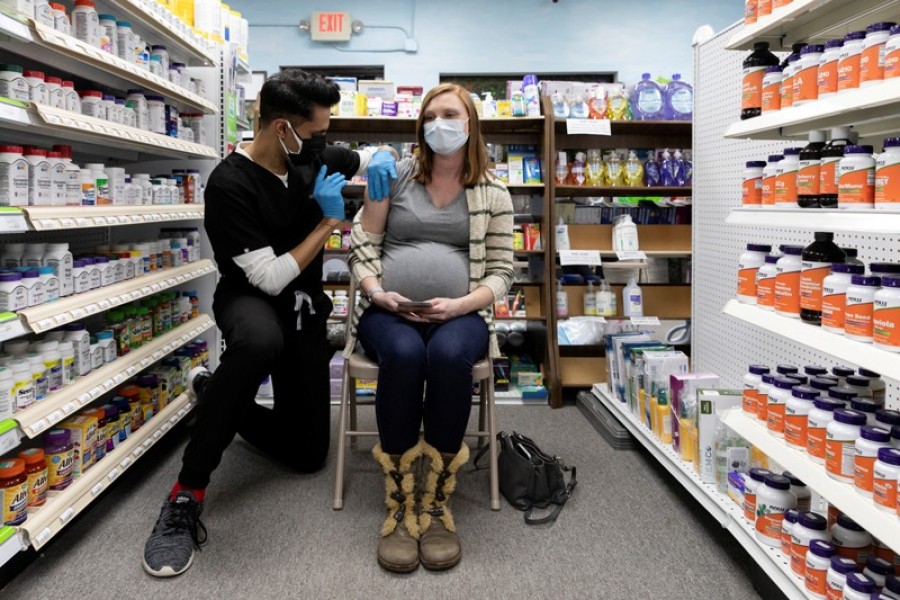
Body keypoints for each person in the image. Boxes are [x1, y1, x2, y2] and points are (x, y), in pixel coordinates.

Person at [142, 69, 399, 578]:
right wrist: (328, 221)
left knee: (307, 456)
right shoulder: (230, 184)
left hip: (301, 305)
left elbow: (369, 158)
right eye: (317, 130)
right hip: (253, 297)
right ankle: (186, 494)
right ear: (283, 127)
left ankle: (217, 394)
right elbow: (271, 277)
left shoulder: (310, 152)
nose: (324, 141)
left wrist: (384, 156)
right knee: (259, 342)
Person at [345, 83, 514, 573]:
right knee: (402, 355)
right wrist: (378, 293)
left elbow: (502, 272)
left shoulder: (494, 191)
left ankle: (437, 501)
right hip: (387, 311)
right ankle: (399, 500)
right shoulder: (395, 177)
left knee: (444, 357)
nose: (439, 123)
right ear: (420, 125)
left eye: (450, 114)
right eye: (431, 115)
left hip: (461, 314)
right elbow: (363, 243)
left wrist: (461, 304)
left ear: (470, 124)